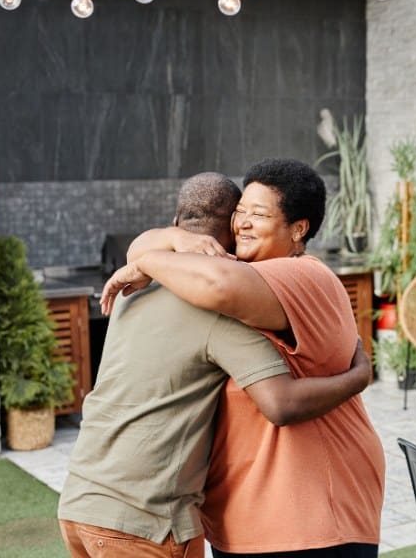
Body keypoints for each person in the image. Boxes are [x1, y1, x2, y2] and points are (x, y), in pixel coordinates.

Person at [58, 173, 372, 557]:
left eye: (258, 214)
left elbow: (207, 277)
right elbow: (280, 401)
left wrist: (151, 257)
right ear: (225, 239)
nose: (245, 224)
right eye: (241, 213)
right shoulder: (215, 307)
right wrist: (358, 377)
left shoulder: (133, 291)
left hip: (80, 500)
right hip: (145, 520)